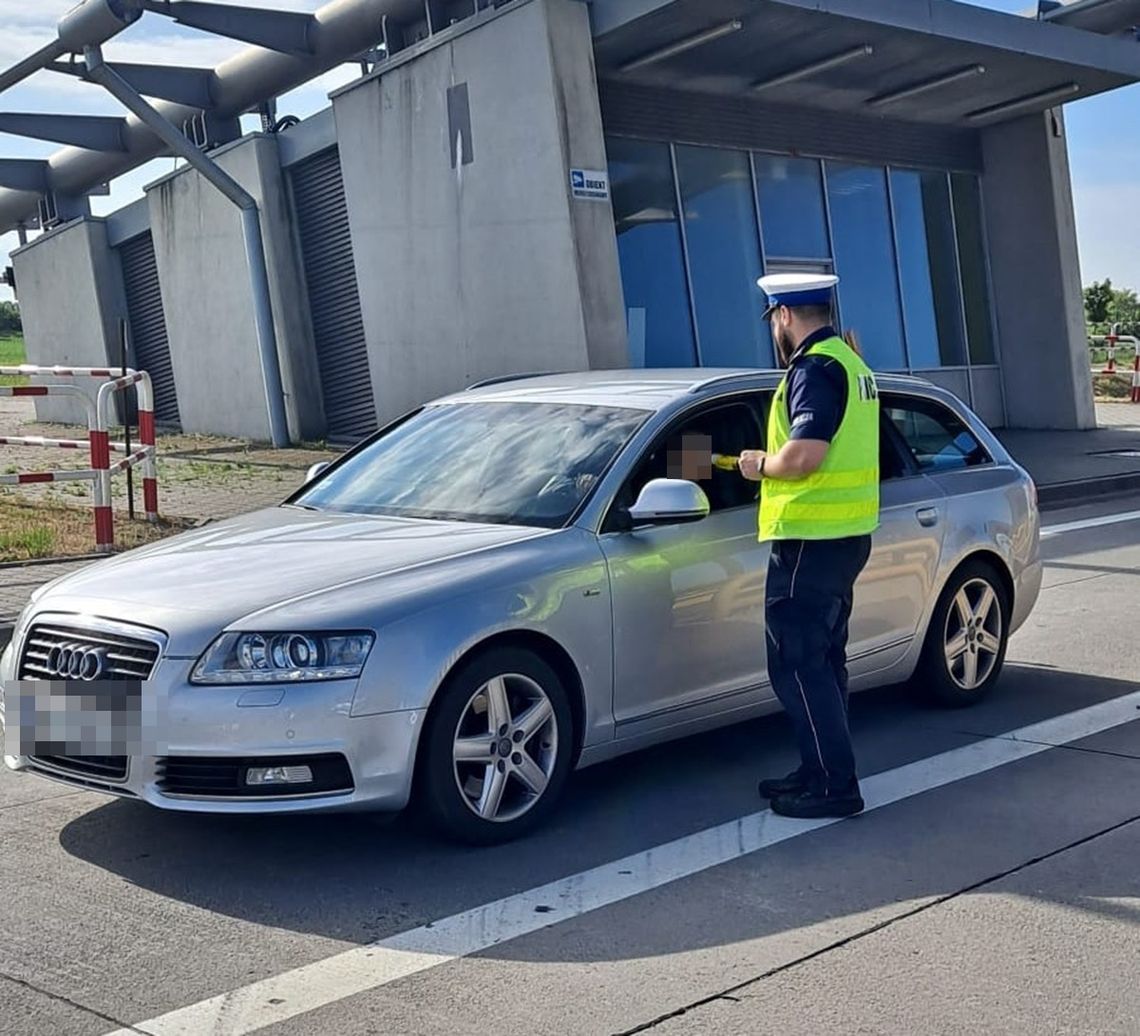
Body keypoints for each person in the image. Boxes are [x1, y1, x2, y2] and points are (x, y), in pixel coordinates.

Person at [737, 273, 880, 819]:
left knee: (798, 663)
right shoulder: (850, 363)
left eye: (773, 320)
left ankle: (834, 787)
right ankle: (819, 769)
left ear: (784, 316)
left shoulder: (814, 368)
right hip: (843, 537)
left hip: (810, 541)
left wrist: (759, 465)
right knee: (822, 661)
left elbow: (805, 455)